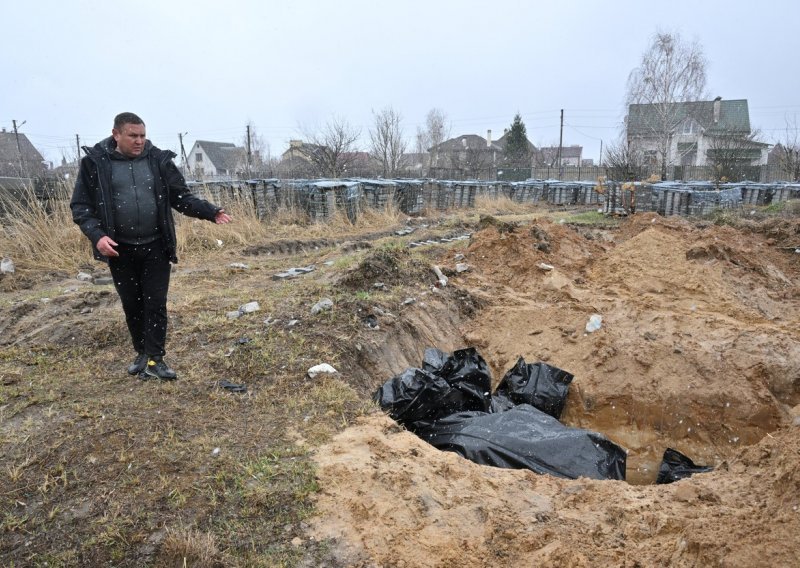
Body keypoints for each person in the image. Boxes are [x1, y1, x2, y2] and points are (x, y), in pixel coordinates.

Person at [71, 112, 232, 381]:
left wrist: (210, 212)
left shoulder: (158, 161)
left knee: (155, 303)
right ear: (116, 135)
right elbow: (80, 207)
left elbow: (181, 197)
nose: (139, 141)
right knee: (132, 304)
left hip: (156, 246)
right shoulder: (95, 163)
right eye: (133, 136)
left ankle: (156, 359)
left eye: (143, 135)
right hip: (118, 248)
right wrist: (97, 236)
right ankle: (142, 353)